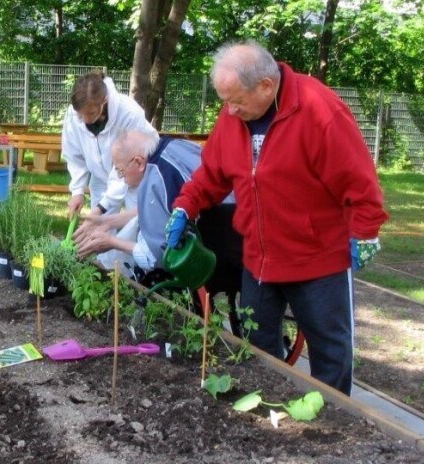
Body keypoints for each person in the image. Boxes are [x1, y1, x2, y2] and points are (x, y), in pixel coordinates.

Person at [165, 41, 389, 395]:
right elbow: (212, 174)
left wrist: (365, 231)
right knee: (257, 345)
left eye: (235, 100)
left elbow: (359, 181)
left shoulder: (319, 111)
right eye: (225, 101)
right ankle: (269, 417)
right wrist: (184, 206)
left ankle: (332, 423)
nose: (229, 110)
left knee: (329, 350)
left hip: (317, 260)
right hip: (258, 258)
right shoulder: (234, 115)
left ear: (266, 87)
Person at [73, 130, 204, 279]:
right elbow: (150, 212)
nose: (122, 178)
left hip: (206, 253)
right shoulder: (173, 146)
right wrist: (107, 221)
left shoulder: (156, 181)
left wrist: (111, 242)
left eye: (121, 171)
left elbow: (155, 257)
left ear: (138, 162)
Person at [61, 71, 159, 219]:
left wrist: (101, 208)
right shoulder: (74, 114)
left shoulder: (128, 113)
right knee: (98, 229)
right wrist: (77, 192)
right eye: (82, 115)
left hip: (134, 179)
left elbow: (128, 166)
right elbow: (74, 156)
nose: (86, 120)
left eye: (92, 113)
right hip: (100, 179)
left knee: (137, 226)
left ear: (105, 101)